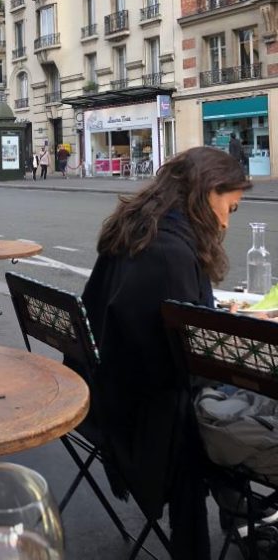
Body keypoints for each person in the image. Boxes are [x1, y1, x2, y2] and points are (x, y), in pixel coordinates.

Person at [80, 146, 251, 558]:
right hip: (151, 419)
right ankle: (246, 517)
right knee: (250, 399)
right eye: (230, 207)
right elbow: (189, 362)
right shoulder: (172, 252)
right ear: (208, 192)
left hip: (109, 396)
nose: (227, 221)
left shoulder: (137, 230)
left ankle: (242, 516)